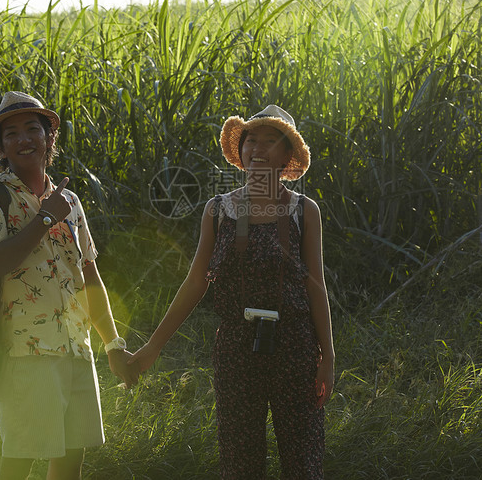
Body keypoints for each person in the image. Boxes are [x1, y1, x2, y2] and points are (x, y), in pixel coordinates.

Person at [130, 104, 335, 479]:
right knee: (240, 460)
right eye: (250, 140)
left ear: (288, 154)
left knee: (303, 459)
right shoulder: (218, 210)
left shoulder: (305, 211)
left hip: (296, 347)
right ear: (239, 152)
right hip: (237, 348)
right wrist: (152, 347)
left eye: (270, 141)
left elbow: (315, 285)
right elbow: (195, 282)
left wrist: (328, 357)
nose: (257, 149)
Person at [0, 91, 138, 480]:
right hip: (26, 349)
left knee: (70, 461)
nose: (24, 139)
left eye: (33, 129)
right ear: (0, 146)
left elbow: (89, 276)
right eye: (12, 133)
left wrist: (112, 344)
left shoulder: (70, 201)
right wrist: (44, 218)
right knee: (21, 460)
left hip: (77, 347)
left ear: (49, 137)